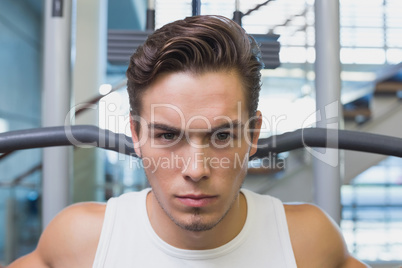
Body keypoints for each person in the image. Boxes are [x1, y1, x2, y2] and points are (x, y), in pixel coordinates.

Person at [9, 15, 368, 267]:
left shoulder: (309, 241)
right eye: (167, 135)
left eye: (223, 135)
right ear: (136, 135)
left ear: (254, 134)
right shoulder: (79, 239)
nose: (196, 170)